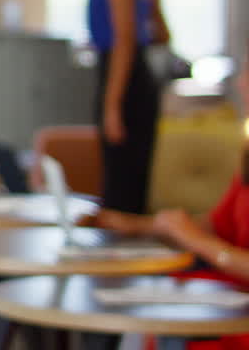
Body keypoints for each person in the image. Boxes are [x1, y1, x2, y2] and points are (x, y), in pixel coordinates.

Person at [82, 41, 249, 350]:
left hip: (237, 320)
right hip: (227, 300)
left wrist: (197, 242)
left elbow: (206, 238)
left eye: (248, 73)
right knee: (137, 311)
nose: (241, 83)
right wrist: (140, 226)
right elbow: (217, 223)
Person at [81, 0, 171, 214]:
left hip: (124, 82)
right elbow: (161, 35)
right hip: (137, 79)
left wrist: (112, 105)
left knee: (121, 192)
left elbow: (125, 40)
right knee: (128, 187)